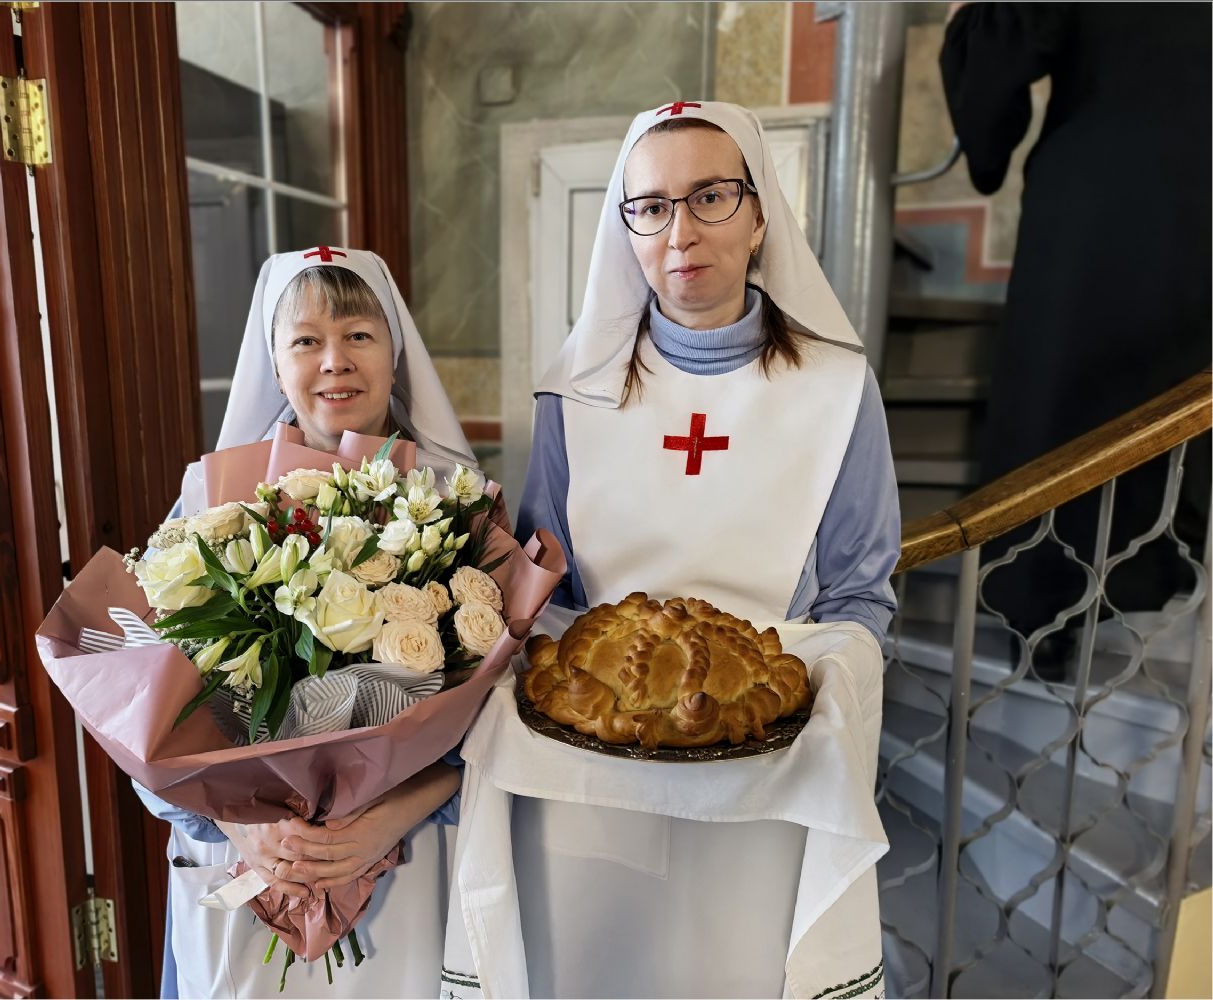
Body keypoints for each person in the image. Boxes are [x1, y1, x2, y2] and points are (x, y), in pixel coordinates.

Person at [442, 102, 898, 999]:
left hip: (765, 765)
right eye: (649, 206)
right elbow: (546, 587)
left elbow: (859, 595)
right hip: (584, 766)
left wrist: (818, 705)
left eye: (710, 197)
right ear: (627, 228)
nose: (680, 231)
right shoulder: (574, 389)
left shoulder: (837, 387)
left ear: (759, 214)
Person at [135, 246, 478, 998]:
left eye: (358, 334)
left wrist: (388, 816)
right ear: (274, 360)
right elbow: (139, 701)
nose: (335, 361)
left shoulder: (457, 501)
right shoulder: (210, 502)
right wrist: (244, 825)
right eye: (305, 340)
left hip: (407, 860)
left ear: (394, 351)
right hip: (244, 860)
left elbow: (496, 715)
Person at [940, 3, 1212, 668]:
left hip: (1103, 204)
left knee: (1064, 404)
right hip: (1194, 198)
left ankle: (1043, 618)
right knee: (1168, 403)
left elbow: (1012, 36)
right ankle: (1143, 583)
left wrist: (968, 28)